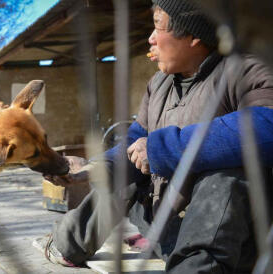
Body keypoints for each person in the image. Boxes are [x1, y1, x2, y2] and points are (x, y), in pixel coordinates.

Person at [38, 0, 273, 272]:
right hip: (168, 227)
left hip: (227, 237)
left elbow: (267, 122)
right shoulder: (159, 84)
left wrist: (163, 149)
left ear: (194, 36)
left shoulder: (244, 70)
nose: (150, 39)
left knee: (227, 173)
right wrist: (95, 167)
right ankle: (66, 245)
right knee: (122, 173)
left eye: (157, 27)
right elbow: (136, 140)